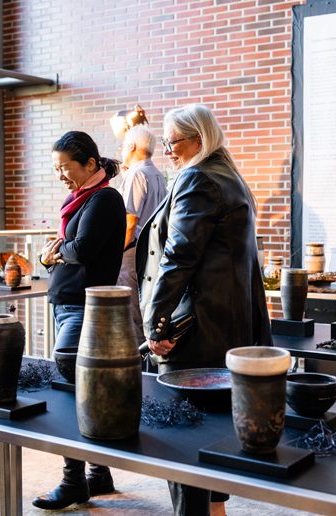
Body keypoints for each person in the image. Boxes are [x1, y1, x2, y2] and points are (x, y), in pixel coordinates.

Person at [136, 104, 272, 516]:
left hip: (194, 332)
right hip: (226, 329)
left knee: (182, 443)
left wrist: (155, 324)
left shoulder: (198, 178)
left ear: (199, 138)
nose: (167, 152)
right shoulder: (229, 175)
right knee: (210, 436)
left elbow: (178, 258)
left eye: (172, 143)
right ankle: (215, 510)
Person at [32, 131, 126, 510]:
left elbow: (82, 249)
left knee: (73, 395)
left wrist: (55, 254)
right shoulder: (82, 199)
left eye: (65, 167)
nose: (60, 176)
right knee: (83, 393)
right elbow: (64, 250)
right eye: (56, 169)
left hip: (84, 307)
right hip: (68, 304)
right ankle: (99, 474)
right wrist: (50, 257)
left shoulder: (104, 199)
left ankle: (74, 482)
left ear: (90, 163)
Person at [116, 125, 167, 344]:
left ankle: (135, 361)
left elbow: (130, 222)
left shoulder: (136, 174)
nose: (121, 150)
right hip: (151, 249)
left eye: (123, 145)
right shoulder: (158, 175)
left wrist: (116, 252)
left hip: (132, 250)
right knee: (144, 309)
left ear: (131, 146)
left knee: (131, 313)